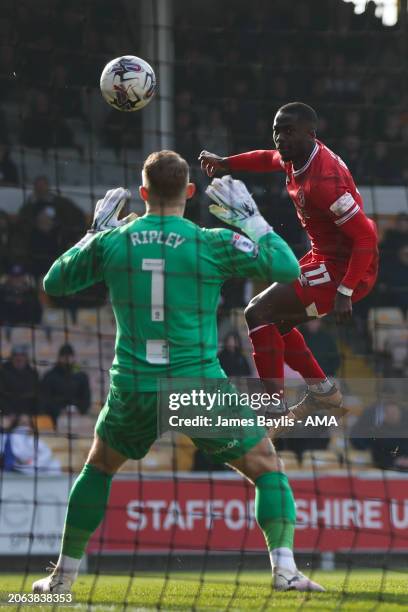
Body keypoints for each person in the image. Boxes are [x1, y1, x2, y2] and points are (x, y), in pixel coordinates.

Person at [33, 150, 324, 594]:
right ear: (190, 194)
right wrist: (252, 220)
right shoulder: (211, 243)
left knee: (98, 470)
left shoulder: (116, 241)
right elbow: (287, 269)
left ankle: (62, 579)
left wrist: (93, 233)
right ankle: (284, 571)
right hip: (197, 386)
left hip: (133, 385)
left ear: (143, 193)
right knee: (267, 468)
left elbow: (53, 285)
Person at [199, 101, 378, 427]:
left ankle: (274, 409)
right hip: (324, 256)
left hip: (345, 266)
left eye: (288, 132)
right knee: (274, 324)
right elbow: (268, 158)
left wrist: (345, 290)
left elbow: (365, 238)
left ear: (310, 134)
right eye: (277, 131)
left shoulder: (325, 181)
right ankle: (322, 390)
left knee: (257, 312)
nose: (280, 138)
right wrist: (227, 163)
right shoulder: (297, 155)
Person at [41, 343, 91, 425]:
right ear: (59, 358)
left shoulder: (81, 376)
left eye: (69, 356)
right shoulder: (50, 376)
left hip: (77, 415)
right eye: (64, 356)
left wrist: (79, 410)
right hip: (55, 417)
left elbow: (86, 398)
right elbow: (46, 399)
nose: (67, 359)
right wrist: (59, 411)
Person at [0, 345, 39, 417]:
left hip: (28, 414)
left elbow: (37, 396)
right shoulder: (3, 373)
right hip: (7, 414)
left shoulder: (33, 373)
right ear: (12, 357)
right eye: (16, 355)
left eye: (22, 355)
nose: (19, 358)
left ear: (26, 358)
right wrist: (9, 413)